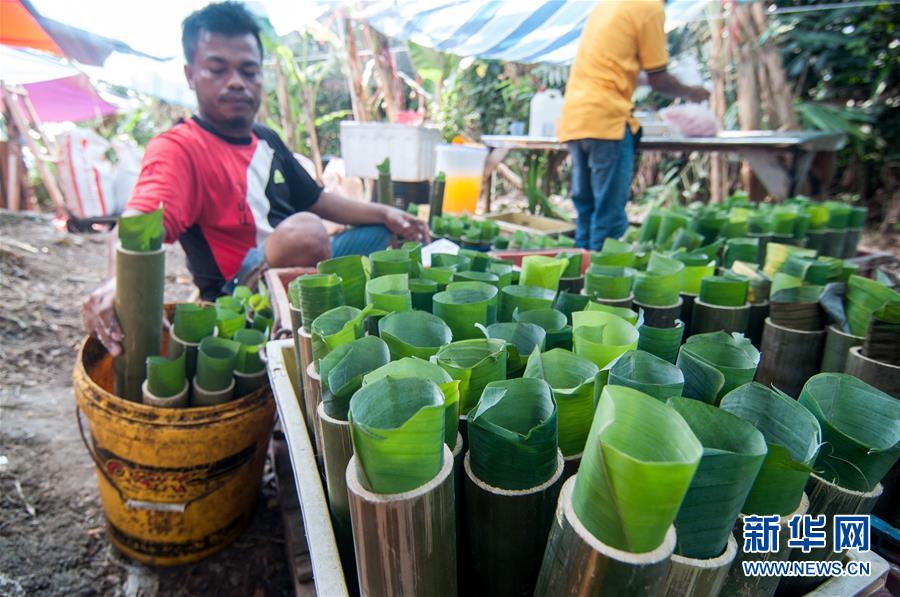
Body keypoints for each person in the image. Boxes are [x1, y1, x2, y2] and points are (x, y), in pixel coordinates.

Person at [83, 1, 428, 356]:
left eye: (248, 71)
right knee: (306, 232)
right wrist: (117, 279)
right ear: (190, 75)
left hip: (296, 255)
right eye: (217, 69)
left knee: (384, 235)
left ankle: (328, 303)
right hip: (239, 286)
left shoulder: (266, 139)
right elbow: (139, 221)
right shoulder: (179, 147)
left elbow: (316, 199)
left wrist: (387, 214)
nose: (236, 82)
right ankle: (300, 324)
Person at [558, 0, 709, 250]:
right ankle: (602, 282)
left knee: (586, 210)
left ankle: (580, 277)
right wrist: (692, 92)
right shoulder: (649, 7)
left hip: (575, 117)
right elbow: (659, 80)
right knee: (608, 216)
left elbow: (622, 70)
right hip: (607, 119)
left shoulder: (609, 5)